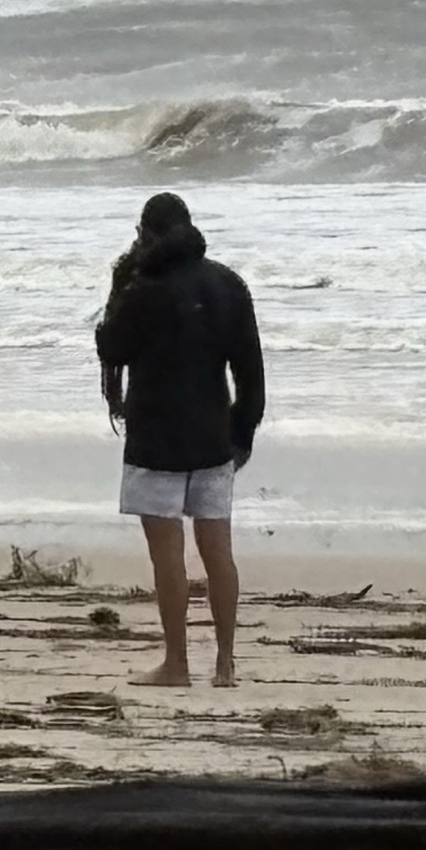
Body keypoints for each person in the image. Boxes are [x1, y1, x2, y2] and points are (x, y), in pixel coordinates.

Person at [95, 192, 263, 688]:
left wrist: (119, 286)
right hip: (213, 436)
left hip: (156, 438)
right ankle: (226, 663)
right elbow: (250, 370)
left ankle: (177, 664)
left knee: (167, 555)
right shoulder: (229, 285)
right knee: (218, 553)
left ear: (146, 235)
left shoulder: (144, 288)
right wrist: (244, 430)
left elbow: (112, 346)